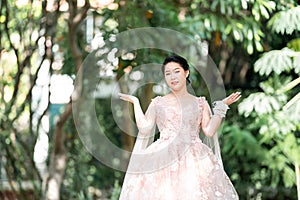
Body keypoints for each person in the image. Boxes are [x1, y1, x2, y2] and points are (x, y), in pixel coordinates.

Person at [118, 55, 240, 200]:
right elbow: (145, 128)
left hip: (194, 160)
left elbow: (209, 130)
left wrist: (221, 107)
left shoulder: (200, 103)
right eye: (168, 74)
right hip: (162, 157)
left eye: (176, 71)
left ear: (186, 72)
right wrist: (136, 102)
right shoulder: (158, 102)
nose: (172, 77)